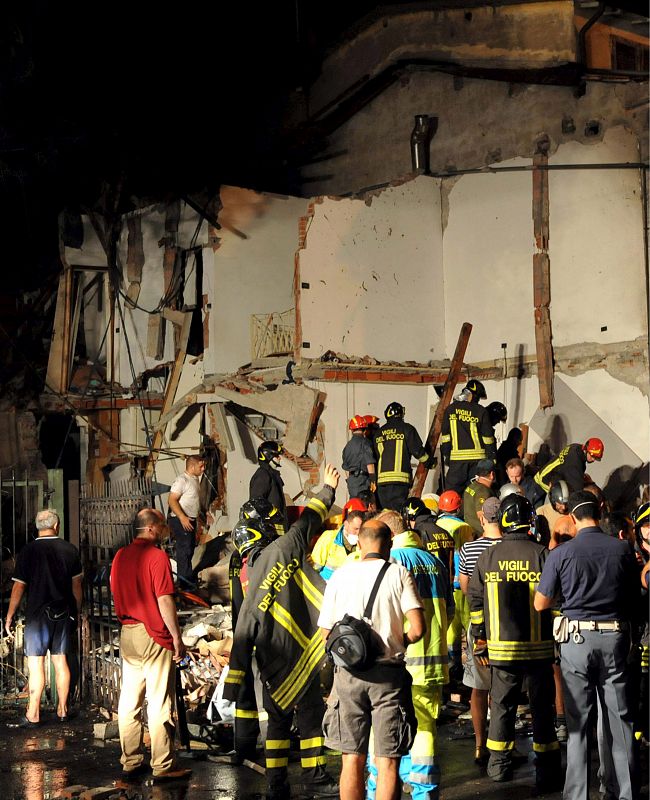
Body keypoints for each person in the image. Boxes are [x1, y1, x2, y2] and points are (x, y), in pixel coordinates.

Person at [223, 465, 341, 800]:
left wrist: (237, 672)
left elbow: (245, 621)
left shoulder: (249, 568)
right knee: (310, 716)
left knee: (275, 721)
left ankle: (276, 783)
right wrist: (327, 488)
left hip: (271, 658)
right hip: (300, 651)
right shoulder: (285, 547)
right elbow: (309, 520)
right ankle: (314, 775)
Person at [534, 491, 640, 800]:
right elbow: (633, 599)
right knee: (620, 721)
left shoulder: (562, 553)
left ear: (572, 516)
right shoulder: (621, 549)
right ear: (600, 512)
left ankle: (577, 794)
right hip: (615, 637)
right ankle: (625, 792)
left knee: (579, 723)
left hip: (576, 641)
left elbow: (541, 603)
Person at [318, 519, 424, 800]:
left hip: (348, 677)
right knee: (388, 759)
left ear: (359, 542)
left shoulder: (339, 576)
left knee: (351, 757)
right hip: (388, 677)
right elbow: (417, 628)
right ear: (388, 543)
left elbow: (325, 632)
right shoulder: (398, 573)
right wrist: (396, 639)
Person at [469, 494, 561, 790]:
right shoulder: (542, 554)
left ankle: (499, 767)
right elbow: (556, 602)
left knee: (503, 708)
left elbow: (475, 602)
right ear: (529, 521)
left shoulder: (488, 557)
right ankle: (547, 773)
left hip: (502, 651)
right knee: (542, 709)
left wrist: (480, 639)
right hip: (539, 652)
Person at [365, 509, 453, 800]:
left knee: (383, 728)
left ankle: (378, 788)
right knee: (426, 726)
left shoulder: (392, 562)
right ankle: (424, 791)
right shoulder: (434, 562)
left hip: (399, 661)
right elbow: (449, 612)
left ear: (388, 536)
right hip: (432, 660)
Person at [110, 508, 190, 781]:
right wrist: (176, 637)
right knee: (159, 701)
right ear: (152, 528)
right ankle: (163, 765)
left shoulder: (120, 556)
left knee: (129, 700)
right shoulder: (157, 557)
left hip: (128, 632)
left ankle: (131, 760)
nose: (166, 531)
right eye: (163, 526)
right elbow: (164, 600)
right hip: (153, 633)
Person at [4, 509, 82, 726]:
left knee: (36, 665)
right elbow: (77, 586)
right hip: (64, 613)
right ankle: (63, 710)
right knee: (61, 661)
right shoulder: (69, 550)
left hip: (37, 617)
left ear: (37, 527)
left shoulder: (28, 551)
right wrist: (77, 610)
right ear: (56, 526)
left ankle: (34, 714)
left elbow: (19, 586)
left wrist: (10, 614)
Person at [457, 496, 502, 764]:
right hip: (506, 625)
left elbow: (464, 589)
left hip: (479, 626)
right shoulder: (512, 547)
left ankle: (479, 745)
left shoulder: (469, 550)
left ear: (482, 518)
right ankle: (503, 742)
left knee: (479, 687)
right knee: (503, 686)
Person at [435, 489, 474, 681]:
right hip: (460, 583)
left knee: (450, 627)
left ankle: (452, 665)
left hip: (443, 583)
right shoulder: (464, 527)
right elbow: (463, 555)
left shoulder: (435, 526)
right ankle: (468, 669)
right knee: (466, 623)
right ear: (458, 508)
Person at [440, 379, 495, 496]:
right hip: (477, 463)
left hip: (456, 463)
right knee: (475, 494)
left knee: (451, 496)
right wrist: (492, 458)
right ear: (476, 396)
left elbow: (445, 436)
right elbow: (488, 438)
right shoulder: (481, 411)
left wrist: (447, 455)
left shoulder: (450, 410)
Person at [374, 401, 430, 511]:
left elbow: (376, 457)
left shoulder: (378, 433)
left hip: (382, 484)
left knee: (386, 513)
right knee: (398, 514)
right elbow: (418, 452)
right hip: (400, 482)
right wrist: (430, 462)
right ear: (401, 413)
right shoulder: (407, 429)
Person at [167, 454, 211, 589]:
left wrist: (204, 513)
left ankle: (187, 578)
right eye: (201, 466)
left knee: (190, 548)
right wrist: (182, 517)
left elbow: (194, 499)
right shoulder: (182, 480)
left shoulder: (195, 480)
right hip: (180, 520)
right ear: (192, 466)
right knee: (184, 549)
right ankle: (184, 583)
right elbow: (172, 500)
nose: (203, 469)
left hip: (190, 519)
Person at [402, 496, 454, 580]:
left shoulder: (416, 535)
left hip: (429, 585)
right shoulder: (445, 532)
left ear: (408, 517)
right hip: (446, 586)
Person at [533, 437, 604, 495]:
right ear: (586, 450)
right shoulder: (575, 463)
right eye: (592, 456)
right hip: (543, 483)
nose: (593, 459)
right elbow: (577, 492)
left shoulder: (576, 447)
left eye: (596, 458)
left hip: (544, 476)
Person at [311, 508, 365, 580]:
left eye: (361, 529)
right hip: (324, 584)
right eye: (355, 529)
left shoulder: (364, 546)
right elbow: (315, 566)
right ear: (346, 524)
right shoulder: (329, 537)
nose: (358, 533)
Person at [249, 441, 287, 531]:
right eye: (277, 456)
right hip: (270, 530)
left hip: (277, 528)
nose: (280, 458)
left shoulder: (271, 474)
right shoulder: (263, 475)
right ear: (268, 456)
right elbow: (256, 503)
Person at [342, 415, 376, 500]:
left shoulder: (347, 446)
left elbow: (346, 468)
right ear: (364, 430)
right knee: (365, 505)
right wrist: (373, 480)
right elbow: (370, 464)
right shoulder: (366, 443)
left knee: (354, 505)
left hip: (352, 482)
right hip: (363, 481)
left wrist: (349, 481)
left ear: (352, 430)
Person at [461, 459, 497, 535]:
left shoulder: (471, 486)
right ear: (492, 474)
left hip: (469, 531)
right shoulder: (483, 492)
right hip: (479, 534)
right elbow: (481, 514)